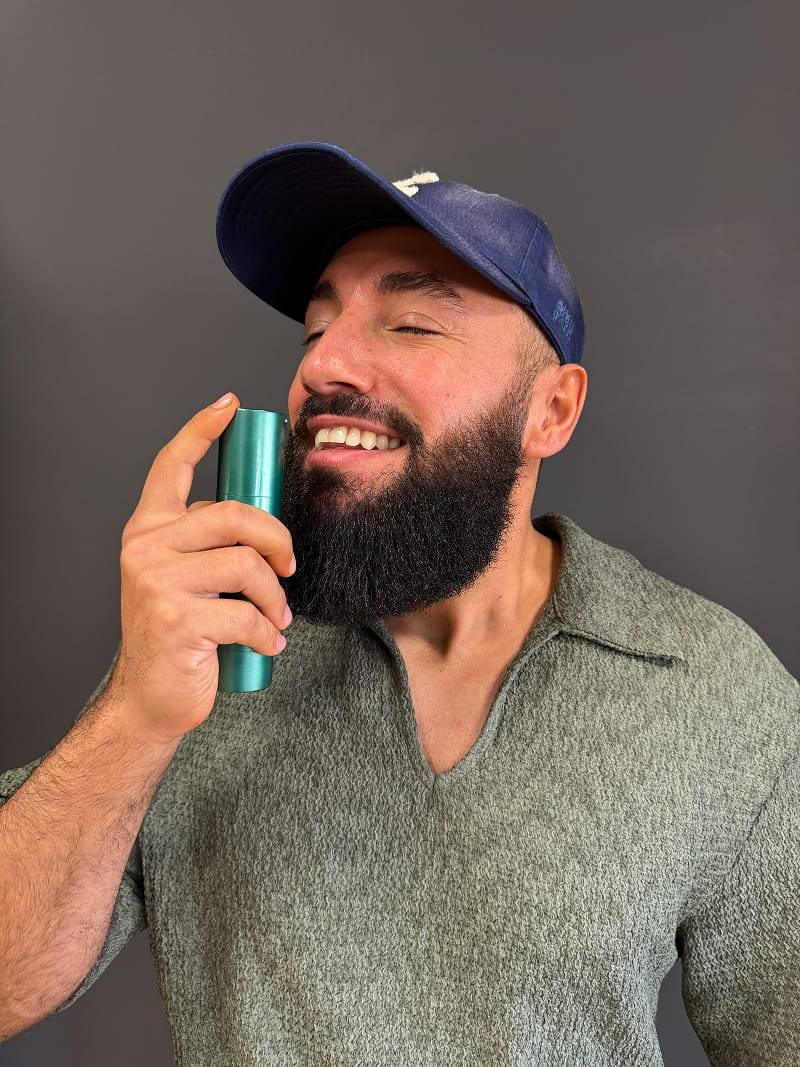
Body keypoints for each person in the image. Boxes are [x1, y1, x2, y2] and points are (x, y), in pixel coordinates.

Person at [0, 142, 797, 1066]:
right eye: (315, 328)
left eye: (413, 324)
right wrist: (135, 716)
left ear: (551, 411)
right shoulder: (207, 638)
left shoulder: (711, 687)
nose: (325, 364)